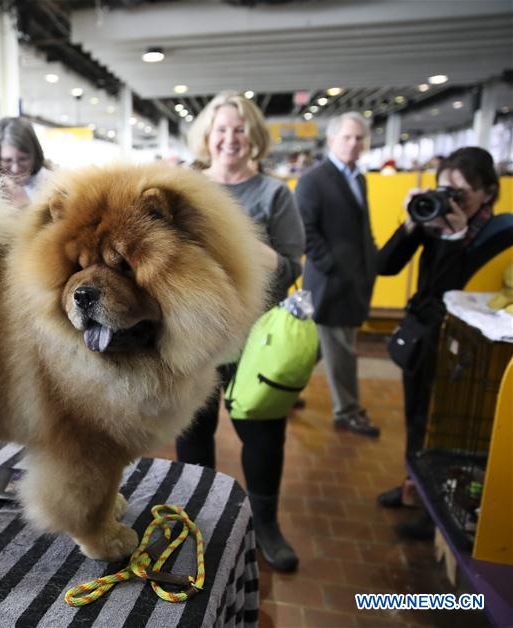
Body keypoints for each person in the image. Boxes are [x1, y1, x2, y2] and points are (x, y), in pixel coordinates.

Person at [178, 91, 305, 572]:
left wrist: (242, 239)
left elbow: (291, 265)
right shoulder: (189, 188)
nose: (230, 138)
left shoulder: (274, 195)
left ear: (253, 135)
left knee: (263, 434)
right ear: (207, 137)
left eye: (238, 129)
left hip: (258, 340)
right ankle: (196, 519)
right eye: (221, 130)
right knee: (192, 431)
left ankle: (265, 525)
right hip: (199, 333)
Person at [376, 147, 513, 539]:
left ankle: (436, 507)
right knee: (416, 419)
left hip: (467, 348)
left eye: (461, 192)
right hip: (425, 342)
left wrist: (453, 235)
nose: (451, 199)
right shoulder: (430, 220)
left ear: (488, 193)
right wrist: (410, 223)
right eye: (443, 189)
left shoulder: (499, 234)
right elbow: (384, 266)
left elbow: (450, 291)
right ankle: (412, 488)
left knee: (444, 430)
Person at [296, 112, 380, 438]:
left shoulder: (358, 177)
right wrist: (331, 265)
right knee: (342, 348)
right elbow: (304, 229)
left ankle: (283, 391)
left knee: (318, 347)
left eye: (359, 138)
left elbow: (361, 228)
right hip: (329, 282)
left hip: (352, 278)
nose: (354, 143)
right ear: (332, 140)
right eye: (347, 137)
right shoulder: (314, 180)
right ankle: (348, 410)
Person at [0, 117, 51, 209]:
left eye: (23, 159)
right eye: (7, 160)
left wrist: (24, 206)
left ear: (35, 156)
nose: (15, 169)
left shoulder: (52, 185)